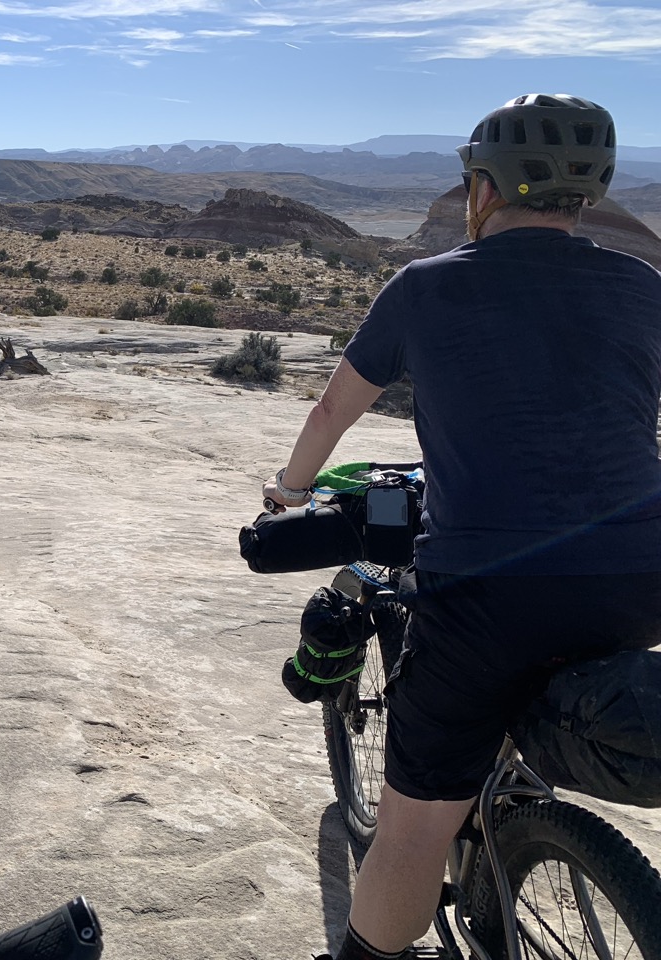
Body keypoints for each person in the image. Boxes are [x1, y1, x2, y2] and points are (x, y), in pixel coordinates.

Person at [261, 93, 661, 960]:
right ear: (585, 193)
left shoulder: (427, 285)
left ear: (484, 186)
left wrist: (289, 493)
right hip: (643, 577)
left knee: (411, 825)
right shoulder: (641, 284)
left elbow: (335, 409)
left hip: (486, 588)